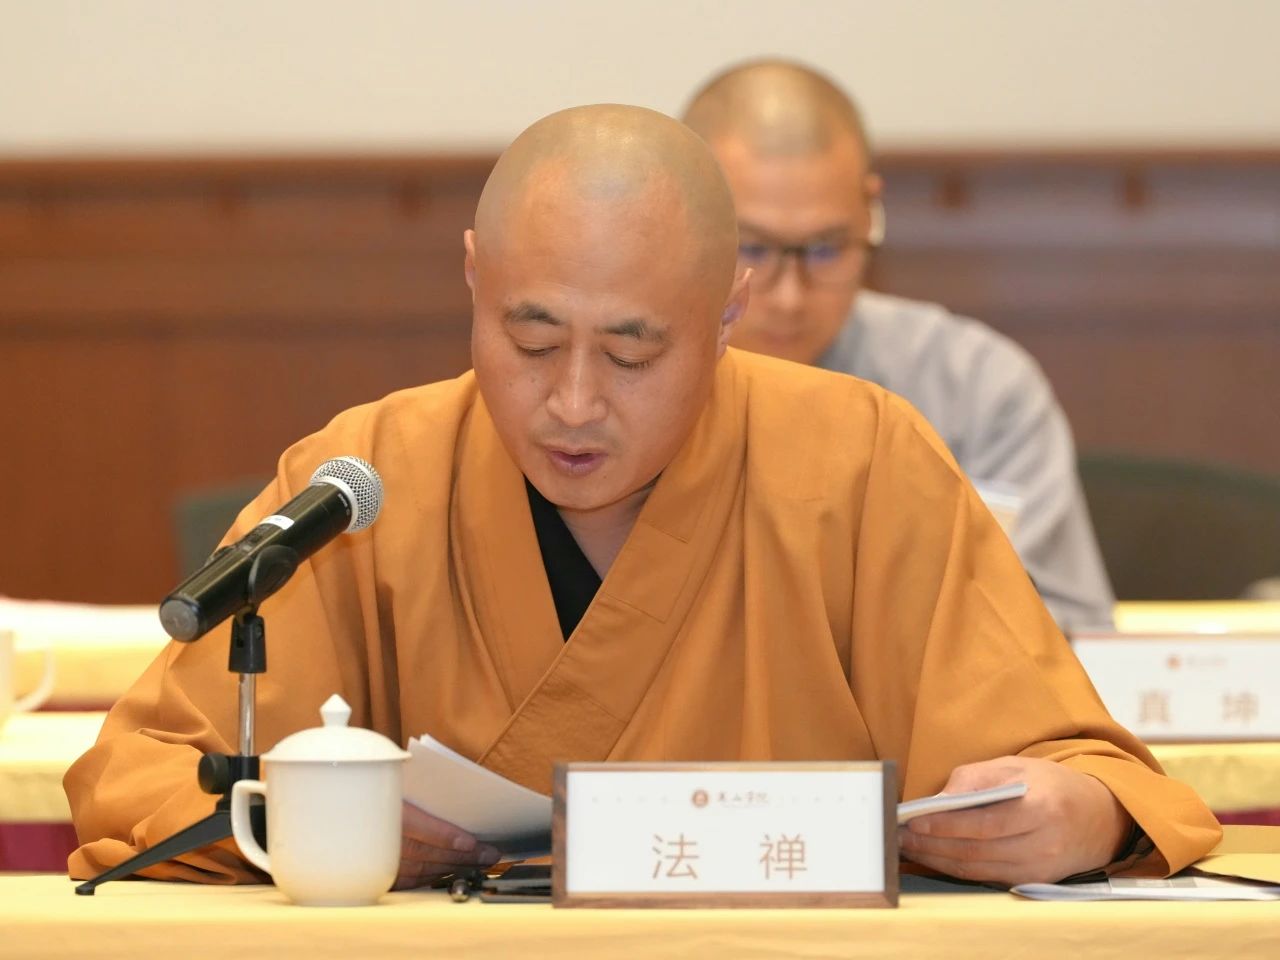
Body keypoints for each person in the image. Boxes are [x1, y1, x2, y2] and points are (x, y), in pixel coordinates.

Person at [65, 105, 1218, 891]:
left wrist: (1072, 816)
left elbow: (1086, 771)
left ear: (726, 312)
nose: (571, 404)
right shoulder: (367, 474)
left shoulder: (862, 460)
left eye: (632, 353)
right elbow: (141, 772)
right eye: (530, 340)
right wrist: (308, 822)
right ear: (472, 276)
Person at [682, 61, 1115, 631]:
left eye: (826, 249)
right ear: (682, 219)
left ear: (869, 211)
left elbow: (1065, 630)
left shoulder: (977, 389)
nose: (788, 298)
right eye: (753, 249)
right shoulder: (622, 386)